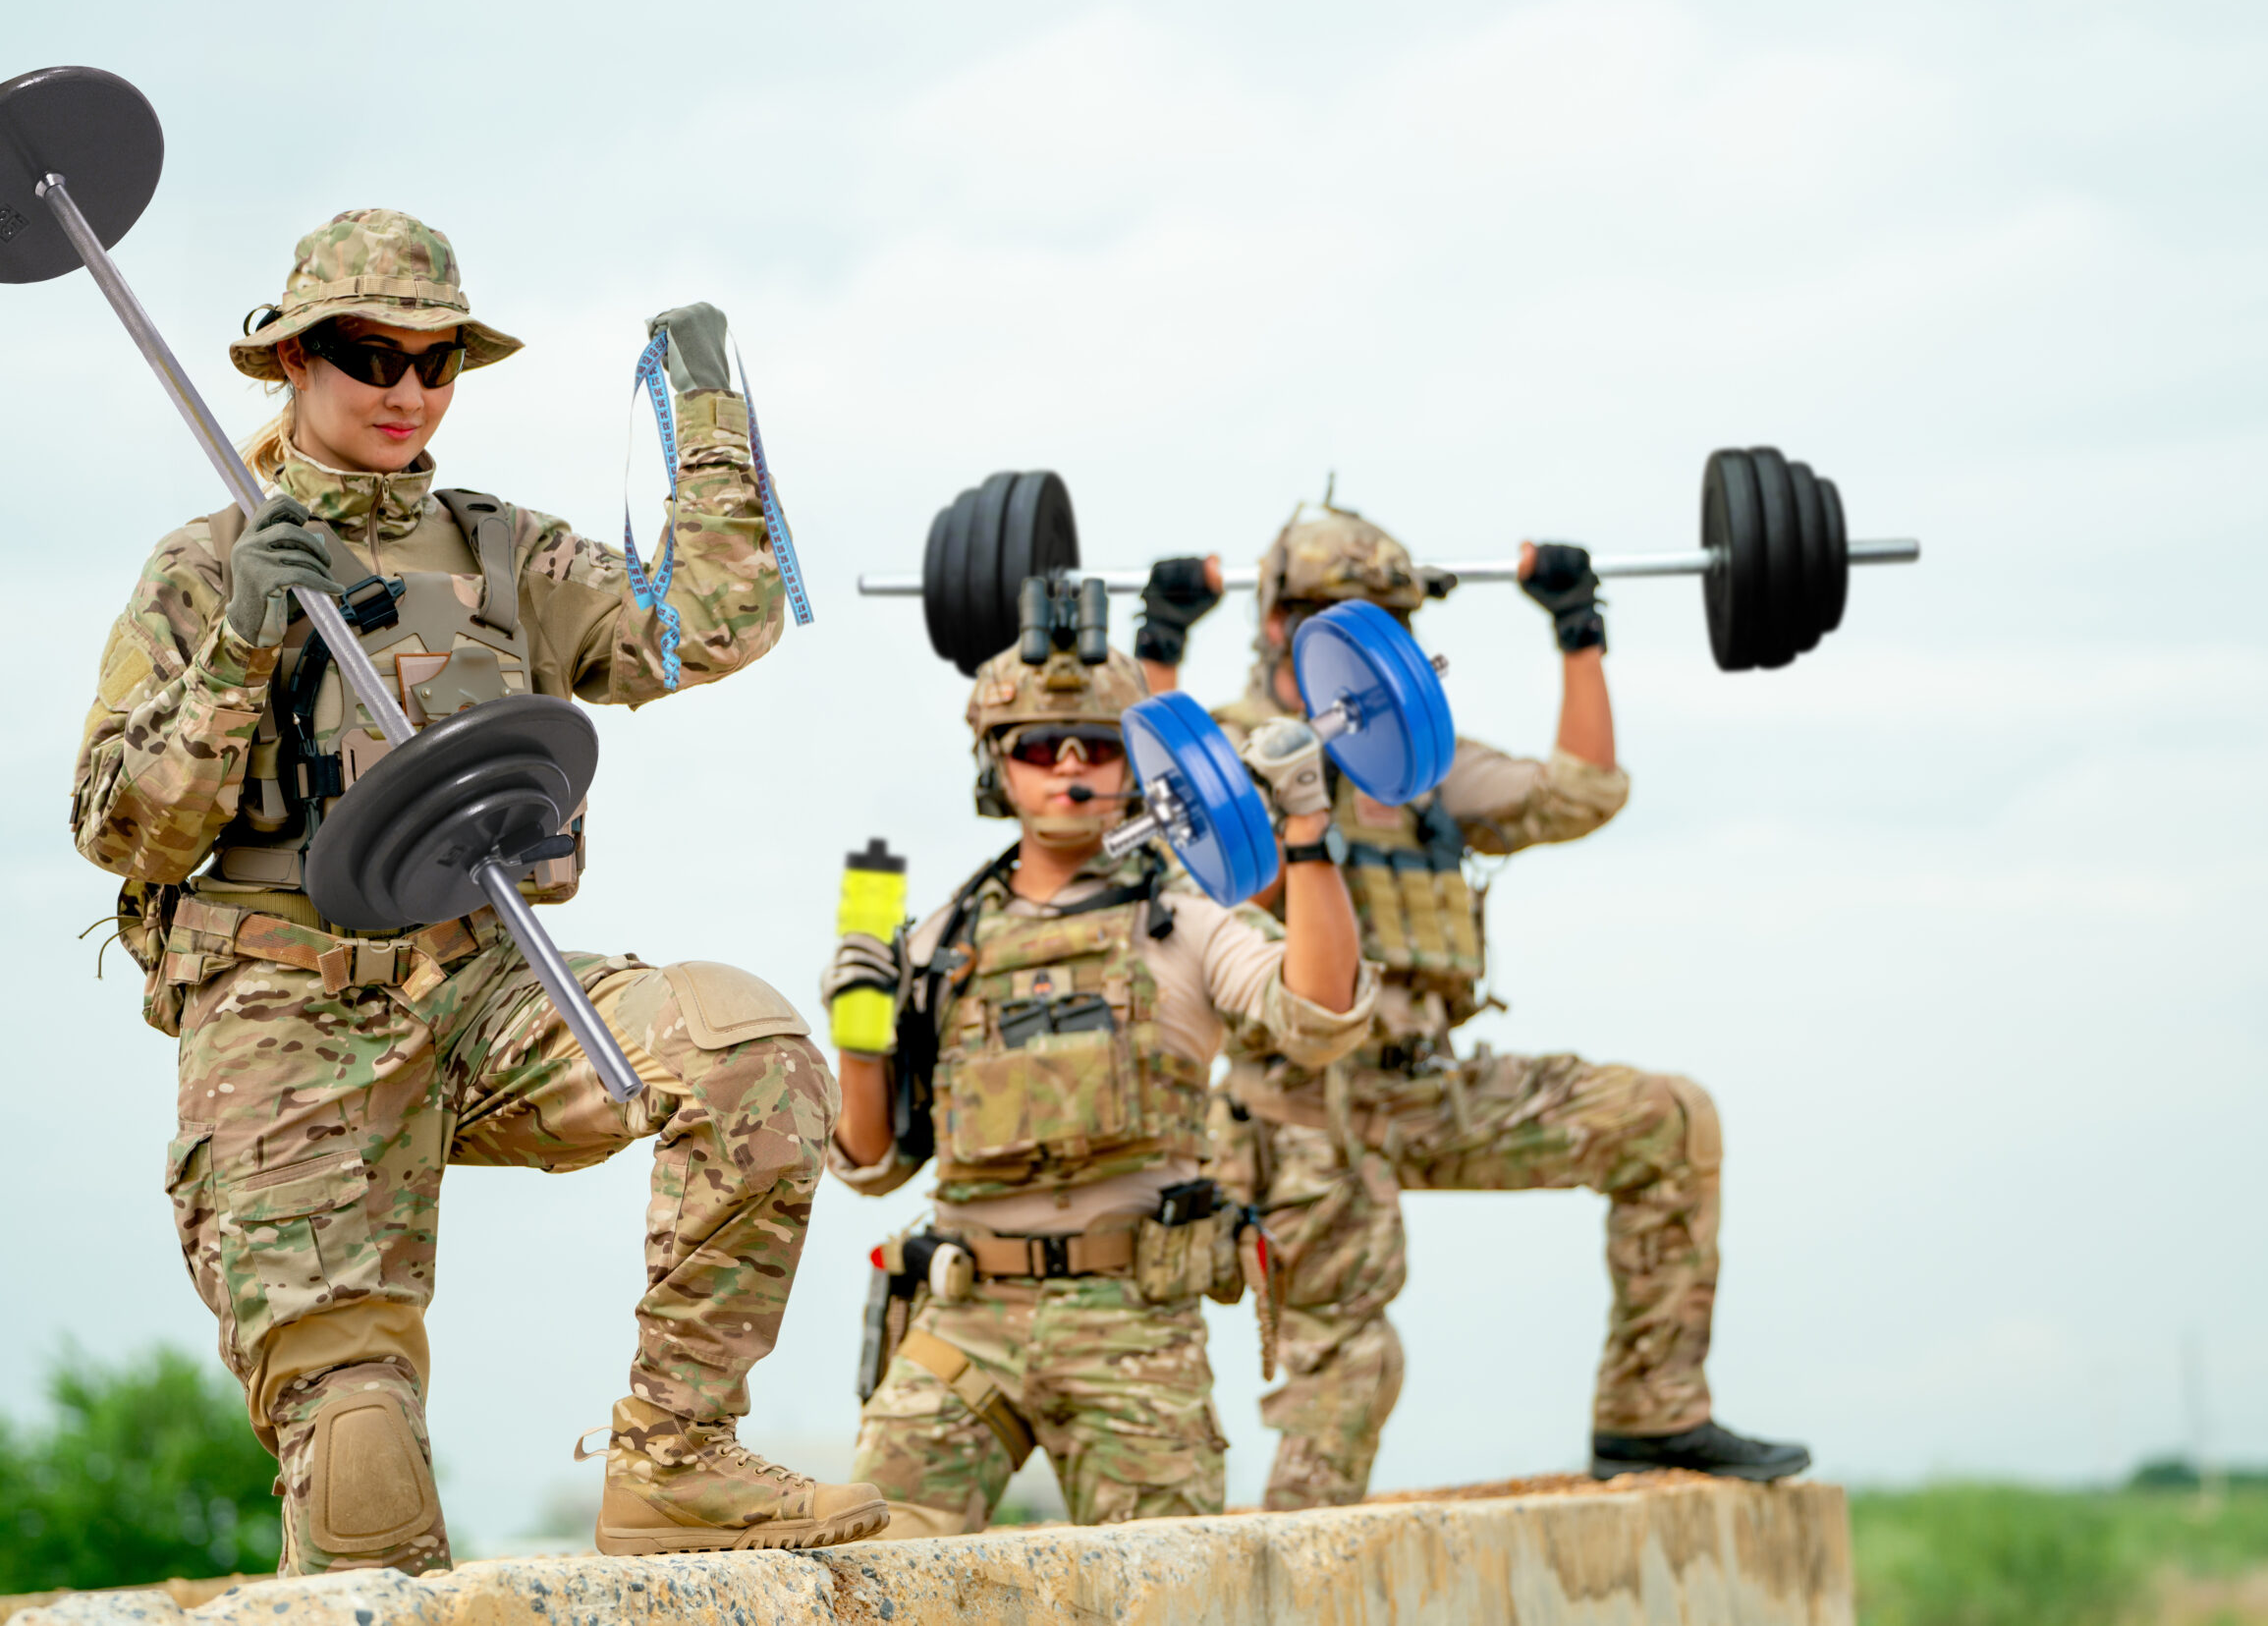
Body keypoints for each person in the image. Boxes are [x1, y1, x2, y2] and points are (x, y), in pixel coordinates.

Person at [74, 208, 885, 1573]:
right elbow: (122, 829)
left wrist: (706, 418)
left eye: (432, 359)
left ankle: (677, 1455)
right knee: (366, 1489)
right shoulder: (211, 562)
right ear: (291, 362)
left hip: (484, 985)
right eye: (365, 353)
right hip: (284, 1025)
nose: (403, 389)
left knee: (748, 1049)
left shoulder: (503, 552)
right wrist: (238, 647)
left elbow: (709, 625)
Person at [1134, 503, 1810, 1509]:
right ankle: (1285, 1578)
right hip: (1297, 1113)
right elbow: (1171, 820)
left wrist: (1577, 629)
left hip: (1424, 1088)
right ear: (1279, 625)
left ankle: (1650, 1410)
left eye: (1391, 621)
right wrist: (1157, 654)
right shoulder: (1229, 752)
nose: (1369, 642)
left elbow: (1582, 793)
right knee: (1350, 1379)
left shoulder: (1417, 764)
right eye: (1338, 616)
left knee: (1665, 1122)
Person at [821, 609, 1376, 1537]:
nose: (1069, 764)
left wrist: (1309, 830)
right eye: (1041, 744)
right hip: (965, 1319)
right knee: (871, 1566)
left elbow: (1320, 1013)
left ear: (1137, 766)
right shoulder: (939, 939)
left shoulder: (1189, 920)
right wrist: (858, 1033)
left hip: (1133, 1326)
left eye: (1095, 745)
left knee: (1163, 1588)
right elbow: (871, 1159)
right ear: (999, 765)